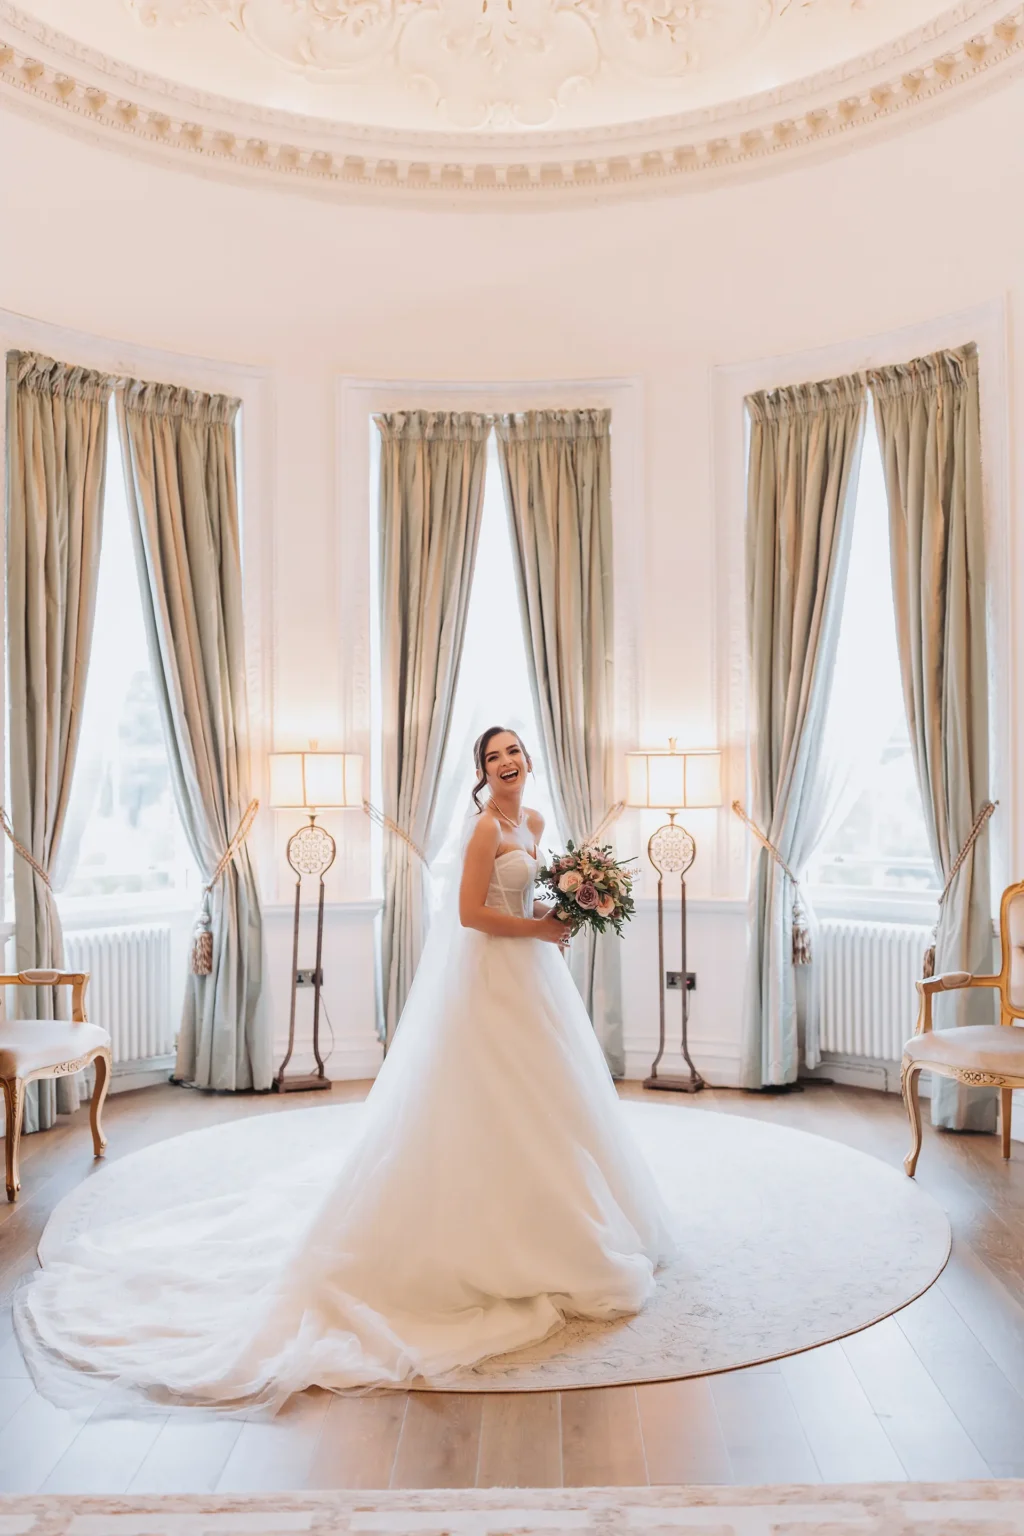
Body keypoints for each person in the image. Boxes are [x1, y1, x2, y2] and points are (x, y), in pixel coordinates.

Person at [14, 727, 676, 1412]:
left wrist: (559, 908)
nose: (506, 763)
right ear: (481, 773)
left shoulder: (533, 822)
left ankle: (564, 1218)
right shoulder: (482, 829)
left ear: (529, 761)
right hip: (490, 977)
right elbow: (471, 914)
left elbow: (517, 901)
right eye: (492, 757)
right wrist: (538, 928)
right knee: (485, 1099)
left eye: (513, 752)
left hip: (535, 975)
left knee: (551, 1099)